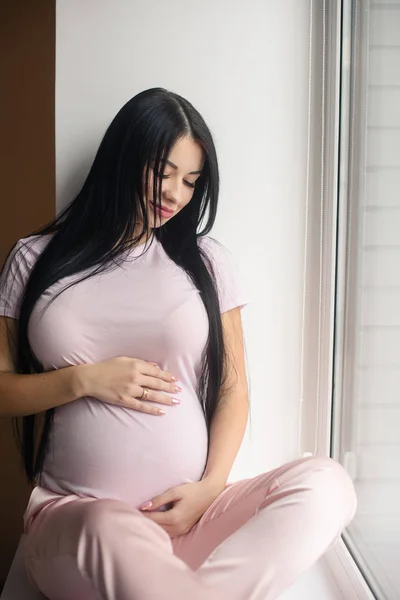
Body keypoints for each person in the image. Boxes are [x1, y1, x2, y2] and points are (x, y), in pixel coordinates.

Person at [0, 87, 357, 600]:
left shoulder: (206, 262)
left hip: (191, 522)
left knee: (326, 484)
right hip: (79, 525)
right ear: (121, 158)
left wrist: (210, 490)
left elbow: (234, 388)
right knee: (109, 527)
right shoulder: (34, 259)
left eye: (190, 181)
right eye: (163, 172)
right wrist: (82, 379)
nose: (175, 194)